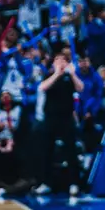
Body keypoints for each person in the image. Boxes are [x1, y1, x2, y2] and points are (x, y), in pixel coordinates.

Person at [35, 52, 84, 195]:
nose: (60, 62)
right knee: (47, 151)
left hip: (66, 118)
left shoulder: (70, 78)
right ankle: (46, 183)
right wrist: (57, 73)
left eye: (63, 60)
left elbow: (81, 88)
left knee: (71, 151)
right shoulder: (49, 76)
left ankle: (74, 183)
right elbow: (42, 88)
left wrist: (73, 74)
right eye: (57, 60)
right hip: (50, 118)